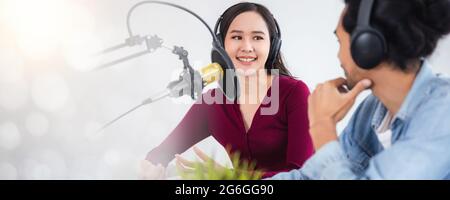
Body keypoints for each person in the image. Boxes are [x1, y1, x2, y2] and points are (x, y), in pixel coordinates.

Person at [271, 0, 450, 180]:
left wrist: (323, 125)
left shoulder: (443, 114)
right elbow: (311, 177)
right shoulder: (374, 108)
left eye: (339, 41)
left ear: (367, 47)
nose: (338, 56)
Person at [141, 2, 314, 179]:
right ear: (221, 44)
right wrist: (152, 166)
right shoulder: (213, 102)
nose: (247, 47)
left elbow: (303, 175)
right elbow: (160, 153)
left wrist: (229, 176)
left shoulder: (294, 93)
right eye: (237, 37)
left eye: (257, 37)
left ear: (273, 44)